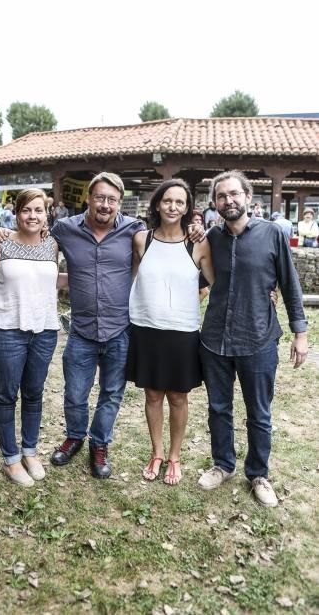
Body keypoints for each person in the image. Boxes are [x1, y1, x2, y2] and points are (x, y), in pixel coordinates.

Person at [197, 170, 308, 508]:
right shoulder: (210, 239)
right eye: (221, 196)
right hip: (215, 338)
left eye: (234, 194)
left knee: (259, 412)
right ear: (215, 204)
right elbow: (196, 278)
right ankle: (223, 464)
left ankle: (258, 473)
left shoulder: (272, 234)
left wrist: (300, 334)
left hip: (258, 338)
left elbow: (289, 285)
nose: (228, 201)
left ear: (247, 197)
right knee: (218, 408)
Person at [48, 173, 145, 478]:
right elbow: (35, 246)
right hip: (82, 330)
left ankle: (99, 443)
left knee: (112, 394)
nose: (105, 205)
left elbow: (167, 250)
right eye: (100, 198)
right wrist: (3, 236)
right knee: (75, 393)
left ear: (119, 202)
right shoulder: (64, 229)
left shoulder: (134, 230)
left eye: (112, 199)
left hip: (120, 330)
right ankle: (75, 436)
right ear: (88, 199)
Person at [126, 179, 214, 485]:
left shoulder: (199, 243)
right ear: (157, 204)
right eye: (167, 201)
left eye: (180, 202)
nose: (173, 207)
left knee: (177, 397)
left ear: (188, 208)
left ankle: (175, 456)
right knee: (152, 395)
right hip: (146, 327)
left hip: (182, 331)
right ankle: (157, 452)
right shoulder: (141, 240)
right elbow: (130, 278)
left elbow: (217, 284)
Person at [0, 189, 65, 488]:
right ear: (16, 214)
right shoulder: (0, 243)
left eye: (38, 210)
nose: (32, 215)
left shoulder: (53, 245)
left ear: (46, 214)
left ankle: (30, 451)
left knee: (34, 393)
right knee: (6, 395)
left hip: (44, 331)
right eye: (26, 210)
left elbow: (53, 281)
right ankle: (11, 459)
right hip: (6, 330)